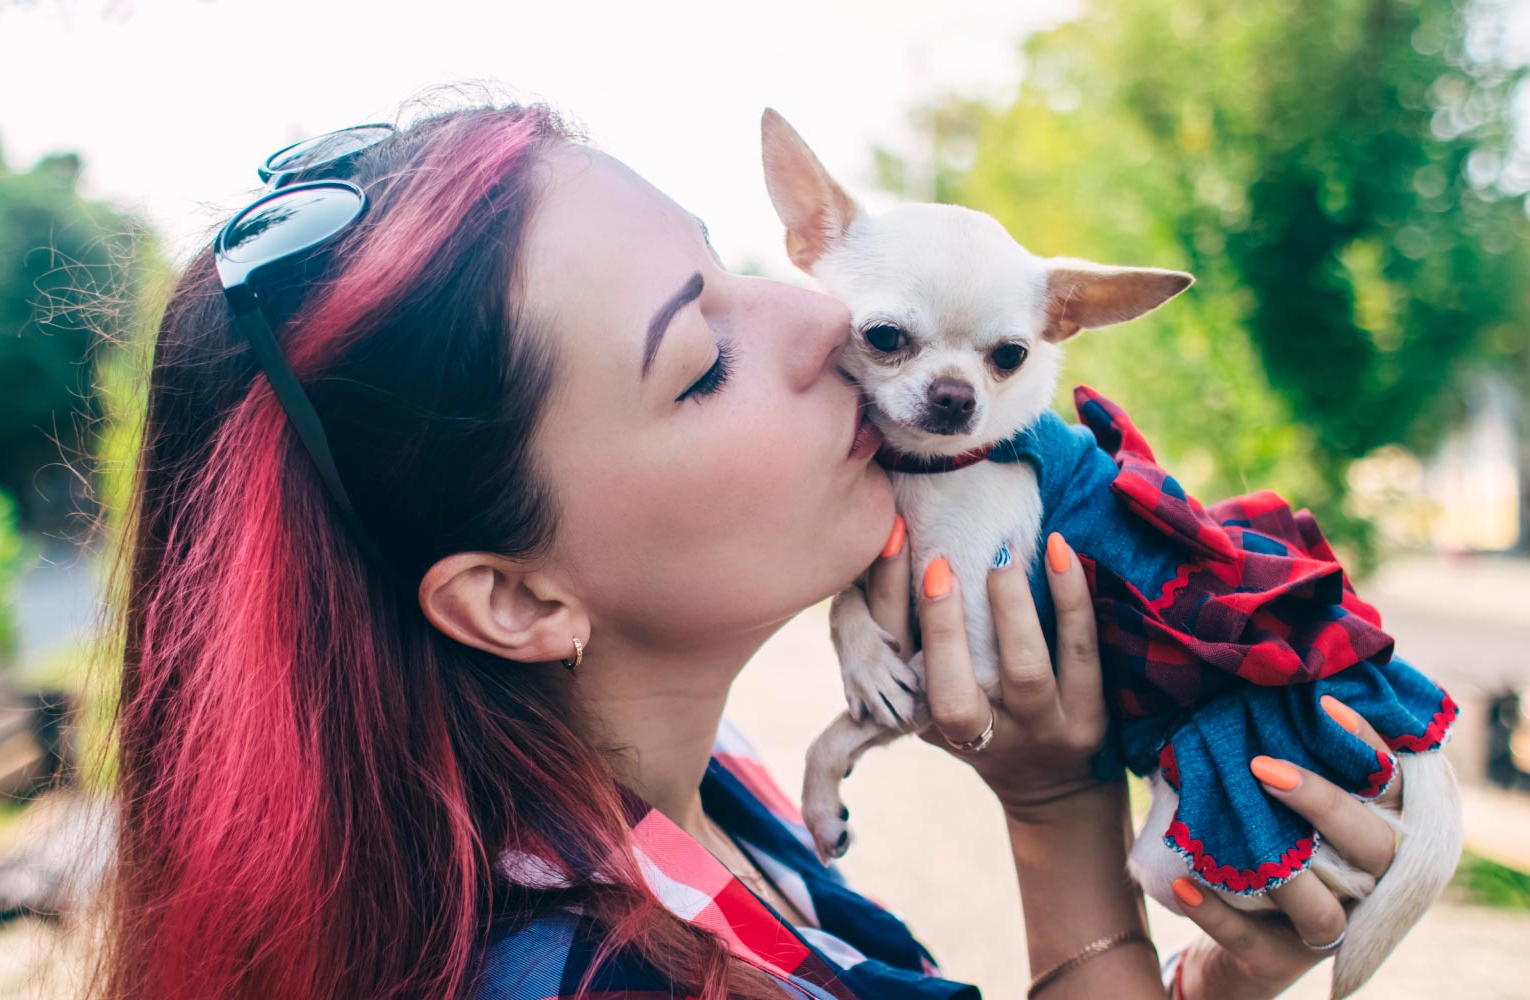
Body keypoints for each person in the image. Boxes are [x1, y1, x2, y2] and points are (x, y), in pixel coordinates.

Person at [89, 88, 1417, 1000]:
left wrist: (1059, 812)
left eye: (740, 269)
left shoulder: (709, 814)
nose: (812, 322)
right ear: (511, 595)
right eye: (701, 358)